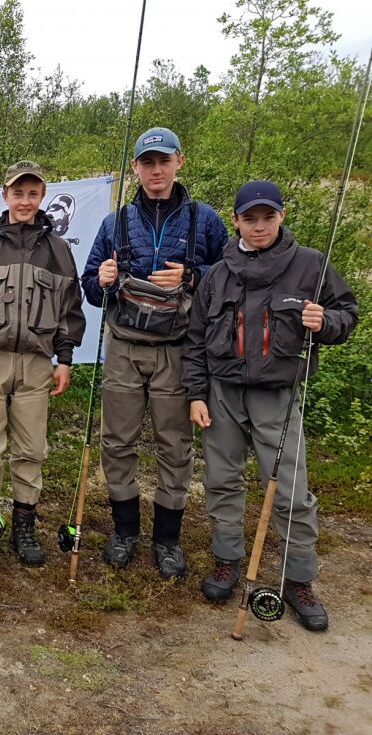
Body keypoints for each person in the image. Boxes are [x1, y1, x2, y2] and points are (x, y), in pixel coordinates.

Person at [183, 180, 358, 631]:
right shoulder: (217, 273)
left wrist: (328, 321)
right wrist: (197, 394)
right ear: (236, 221)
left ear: (281, 217)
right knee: (221, 481)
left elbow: (348, 315)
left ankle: (297, 578)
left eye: (268, 217)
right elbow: (195, 340)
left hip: (278, 394)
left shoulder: (310, 265)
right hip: (222, 393)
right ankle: (226, 560)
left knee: (290, 491)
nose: (259, 226)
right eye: (249, 218)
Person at [81, 127, 228, 579]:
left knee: (175, 446)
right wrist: (102, 279)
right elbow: (89, 289)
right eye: (148, 162)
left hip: (178, 349)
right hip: (124, 347)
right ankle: (125, 531)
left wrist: (193, 276)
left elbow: (229, 278)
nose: (156, 169)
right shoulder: (115, 224)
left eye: (164, 160)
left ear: (180, 161)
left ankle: (167, 539)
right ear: (136, 169)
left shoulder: (206, 221)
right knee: (117, 442)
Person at [0, 160, 86, 566]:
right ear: (5, 195)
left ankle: (24, 523)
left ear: (41, 196)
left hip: (38, 364)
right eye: (17, 193)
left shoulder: (59, 251)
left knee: (31, 450)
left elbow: (71, 310)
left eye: (32, 193)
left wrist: (64, 359)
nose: (25, 201)